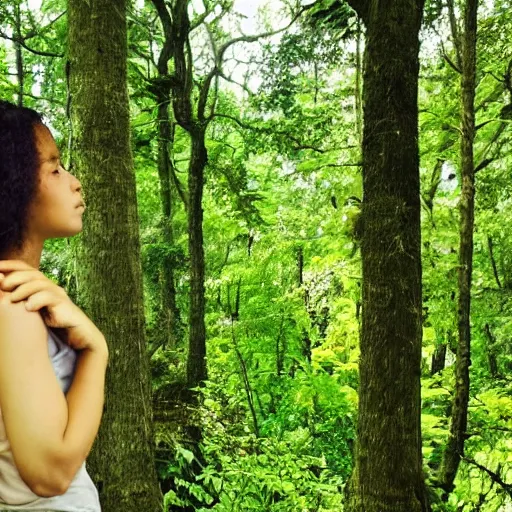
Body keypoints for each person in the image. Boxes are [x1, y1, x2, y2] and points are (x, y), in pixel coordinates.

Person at [0, 100, 108, 511]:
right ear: (12, 182)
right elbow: (51, 472)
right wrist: (95, 350)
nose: (75, 182)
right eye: (55, 168)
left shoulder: (23, 296)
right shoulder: (14, 305)